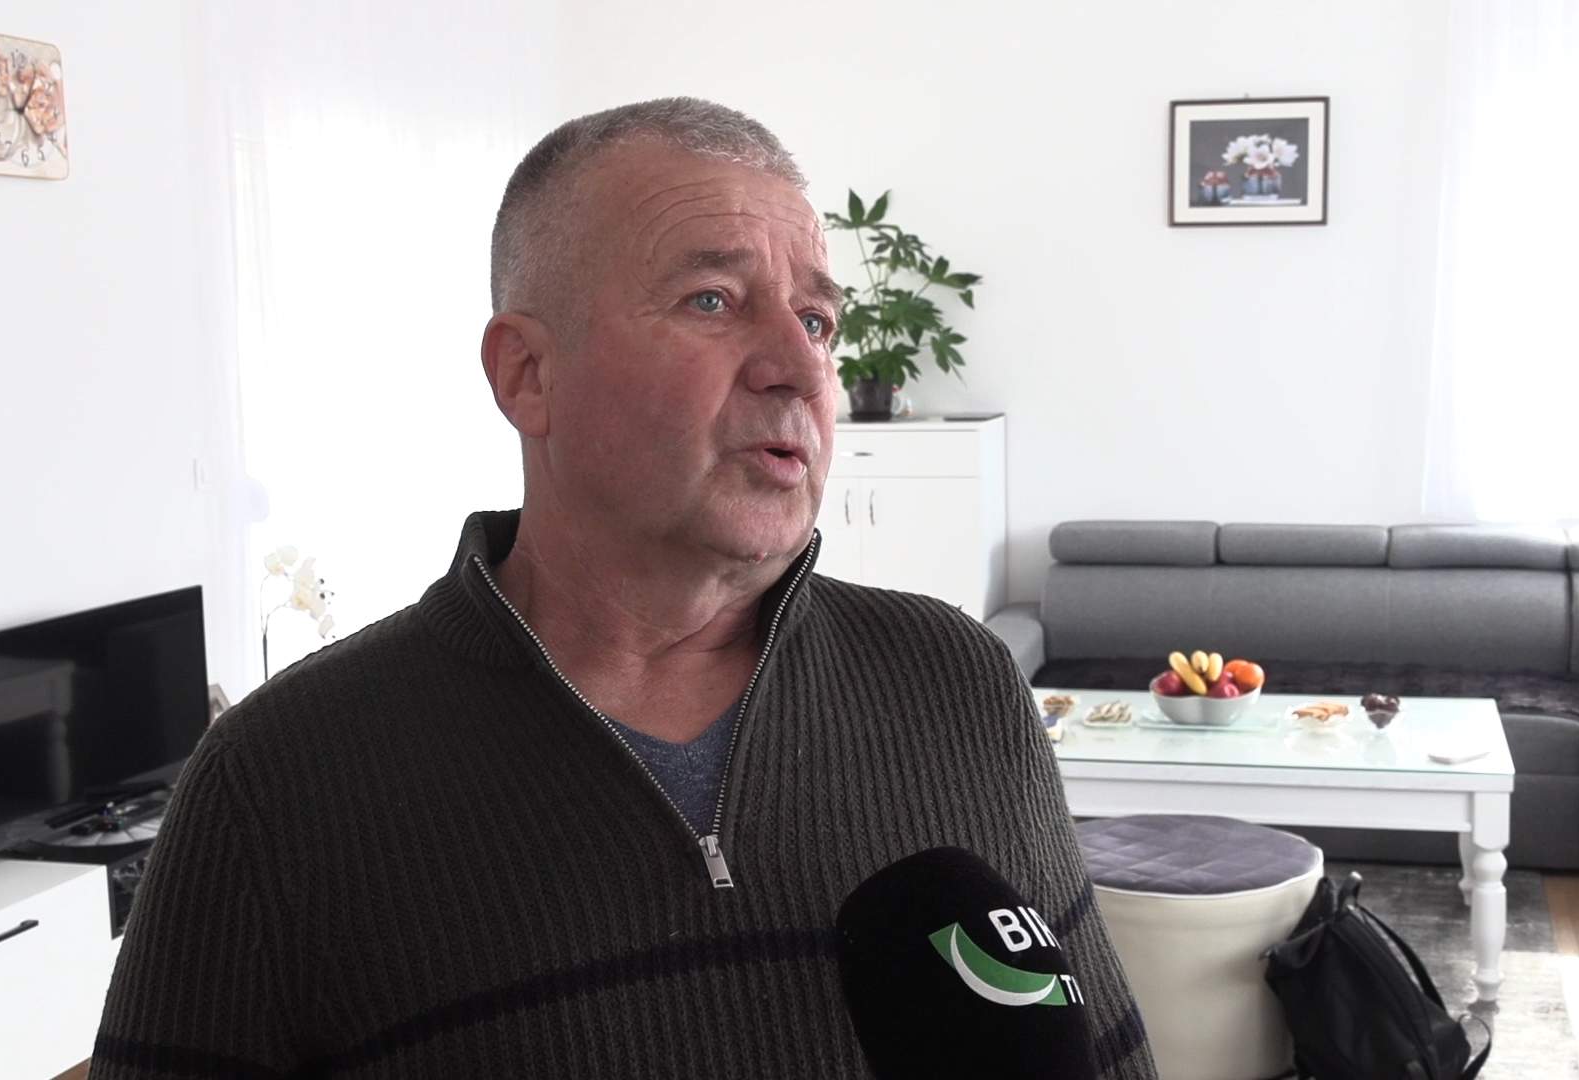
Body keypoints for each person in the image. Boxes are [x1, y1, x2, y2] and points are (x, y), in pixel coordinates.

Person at [91, 97, 1155, 1078]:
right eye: (712, 300)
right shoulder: (276, 786)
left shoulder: (957, 683)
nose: (799, 366)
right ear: (527, 375)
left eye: (817, 320)